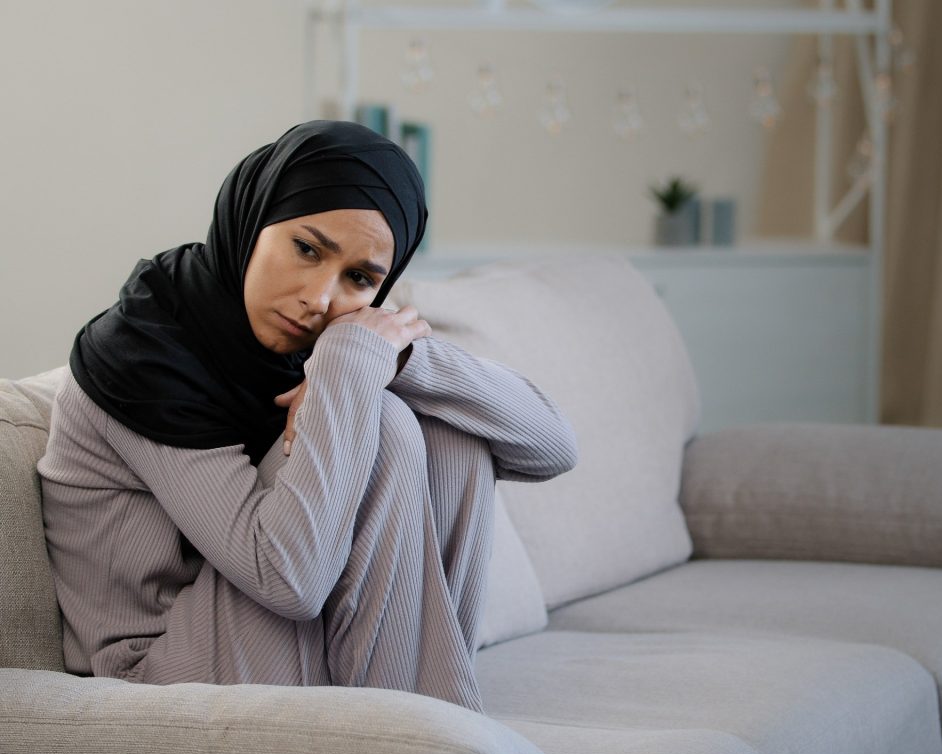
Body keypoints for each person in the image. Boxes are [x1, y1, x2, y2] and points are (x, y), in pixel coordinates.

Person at [38, 120, 577, 713]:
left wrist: (398, 357)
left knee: (450, 434)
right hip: (153, 677)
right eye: (307, 249)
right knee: (386, 424)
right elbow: (288, 579)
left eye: (359, 279)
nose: (319, 300)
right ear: (254, 219)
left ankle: (424, 721)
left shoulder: (320, 348)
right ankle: (424, 726)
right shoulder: (140, 354)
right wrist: (349, 367)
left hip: (263, 629)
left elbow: (551, 447)